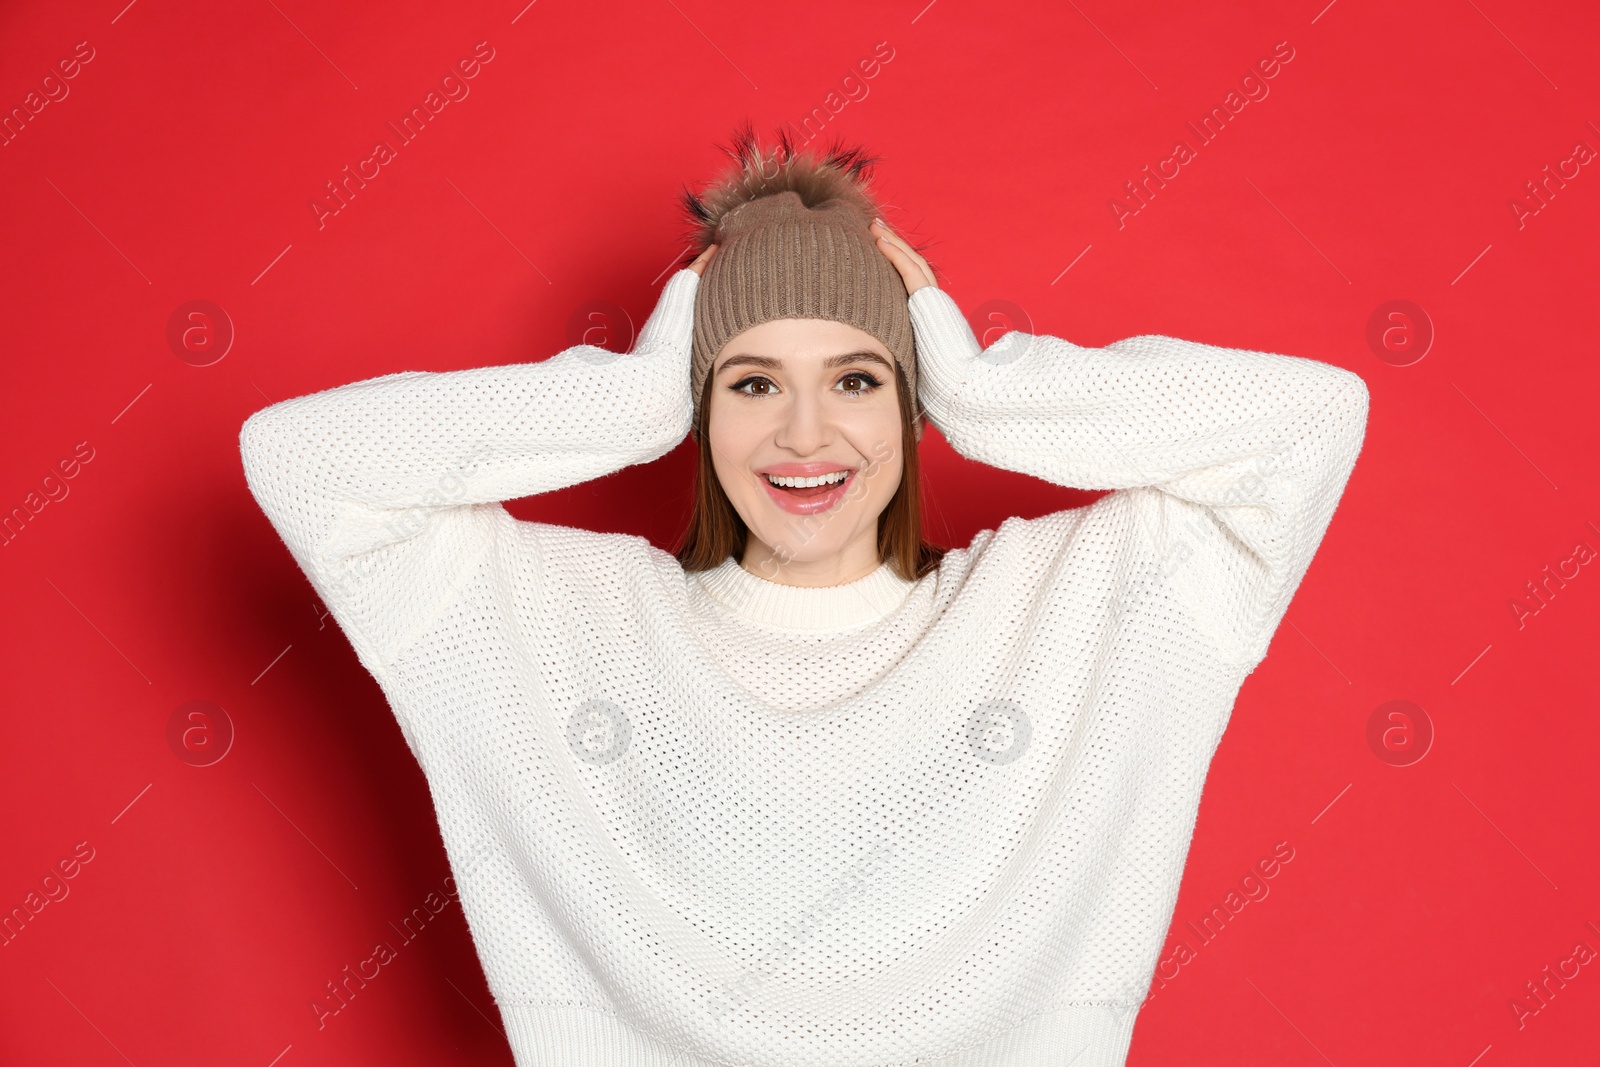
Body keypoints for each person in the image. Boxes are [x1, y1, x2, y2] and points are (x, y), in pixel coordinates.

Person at [239, 125, 1369, 1067]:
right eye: (751, 382)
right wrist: (634, 398)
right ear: (701, 407)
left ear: (908, 397)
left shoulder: (1078, 604)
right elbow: (300, 458)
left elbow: (1312, 420)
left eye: (859, 379)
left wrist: (979, 388)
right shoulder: (556, 620)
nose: (805, 434)